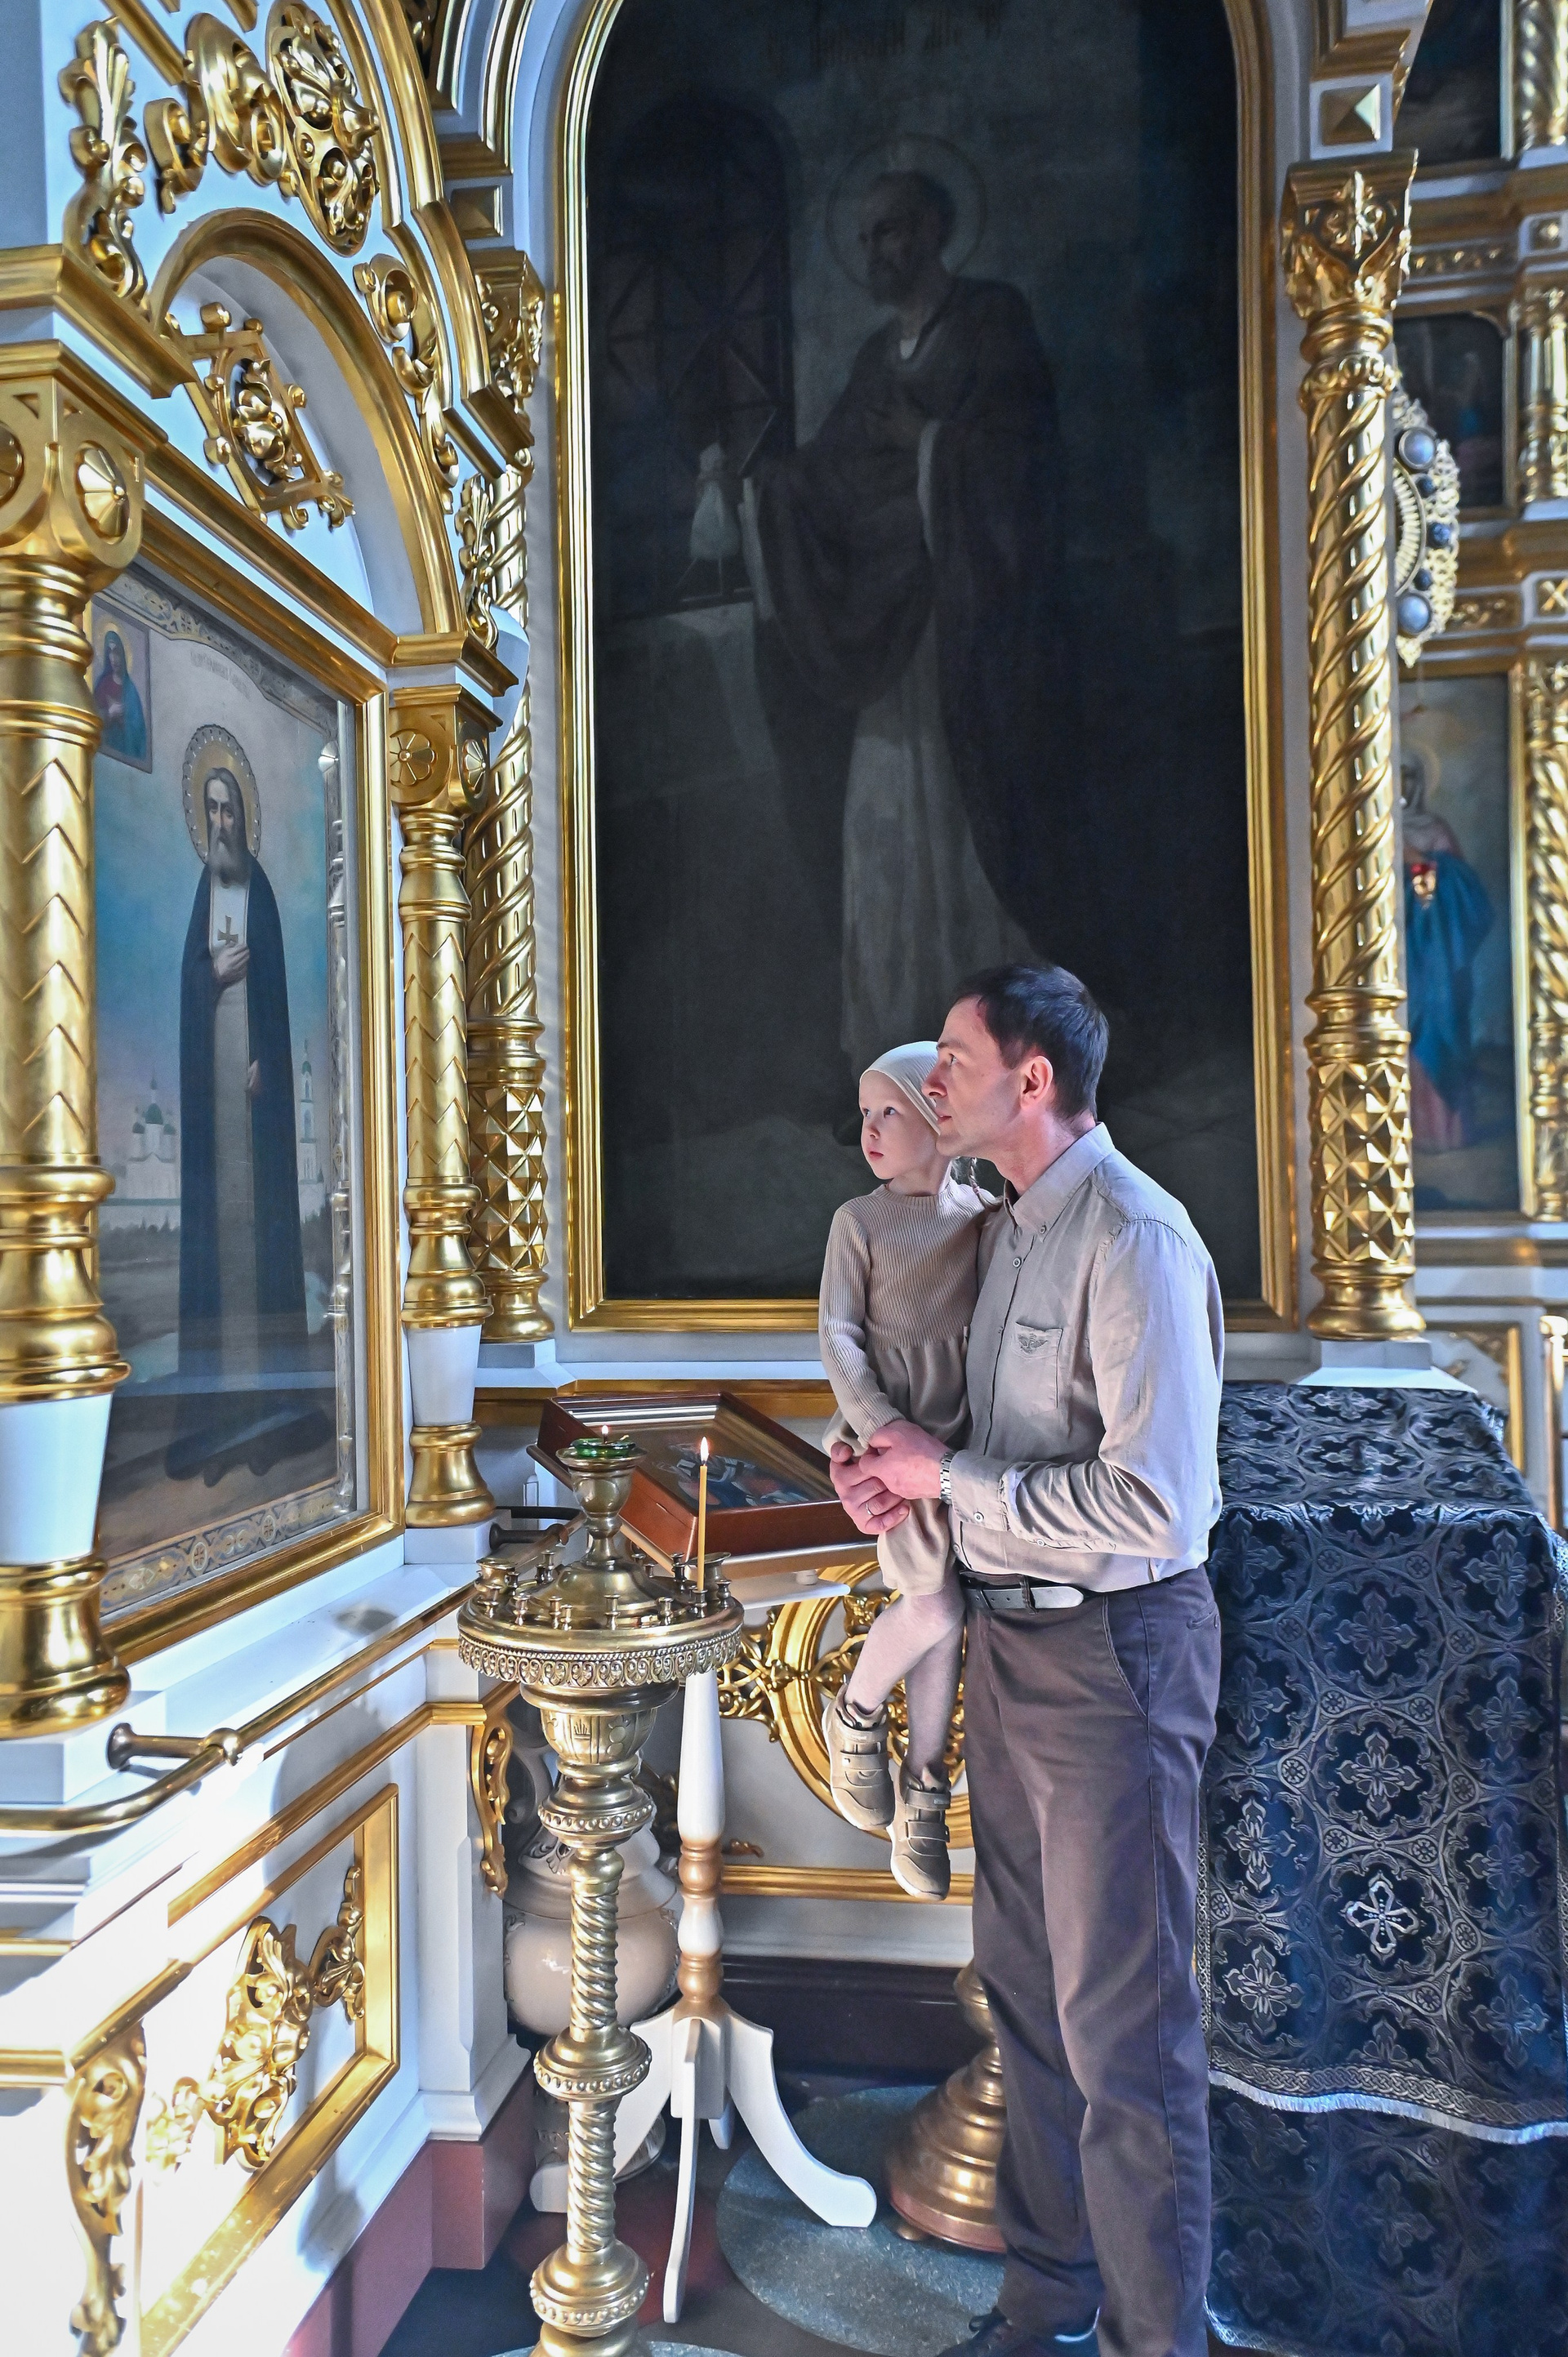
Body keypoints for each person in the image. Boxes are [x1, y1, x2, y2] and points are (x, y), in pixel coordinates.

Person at [831, 963, 1223, 2357]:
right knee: (1030, 2012)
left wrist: (950, 1475)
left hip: (1115, 1656)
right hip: (1008, 1640)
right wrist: (896, 1475)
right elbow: (972, 1448)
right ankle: (1044, 2312)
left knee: (1125, 2038)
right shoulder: (1003, 1231)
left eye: (954, 1053)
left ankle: (1153, 2342)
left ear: (1033, 1078)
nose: (933, 1076)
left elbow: (1157, 1506)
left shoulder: (1136, 1237)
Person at [747, 167, 1072, 1077]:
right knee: (886, 821)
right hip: (889, 629)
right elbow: (833, 476)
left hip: (970, 627)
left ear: (932, 229)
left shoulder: (990, 321)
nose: (877, 253)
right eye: (866, 238)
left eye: (890, 231)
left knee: (963, 827)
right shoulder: (873, 359)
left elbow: (1023, 458)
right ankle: (899, 1045)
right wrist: (764, 489)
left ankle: (995, 1054)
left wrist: (927, 445)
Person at [818, 1040, 991, 1899]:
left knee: (946, 1615)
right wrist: (879, 1427)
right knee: (935, 1604)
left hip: (970, 1439)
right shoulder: (858, 1221)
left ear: (934, 1117)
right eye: (864, 1115)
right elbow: (839, 1337)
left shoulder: (985, 1214)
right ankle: (853, 1714)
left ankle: (926, 1787)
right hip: (893, 1432)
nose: (871, 1130)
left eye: (889, 1111)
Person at [170, 761, 308, 1475]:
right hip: (213, 1110)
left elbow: (276, 998)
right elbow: (190, 983)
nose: (221, 823)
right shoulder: (207, 890)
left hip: (254, 1112)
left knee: (260, 1259)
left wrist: (269, 1064)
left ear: (243, 817)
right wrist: (212, 976)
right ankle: (219, 1425)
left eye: (229, 811)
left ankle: (269, 1421)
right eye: (212, 810)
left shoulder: (262, 894)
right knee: (219, 1266)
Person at [95, 626, 147, 763]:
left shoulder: (131, 691)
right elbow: (92, 718)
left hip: (125, 750)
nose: (114, 659)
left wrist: (125, 720)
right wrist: (109, 714)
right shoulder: (102, 684)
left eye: (116, 652)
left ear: (123, 655)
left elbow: (139, 730)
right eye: (110, 652)